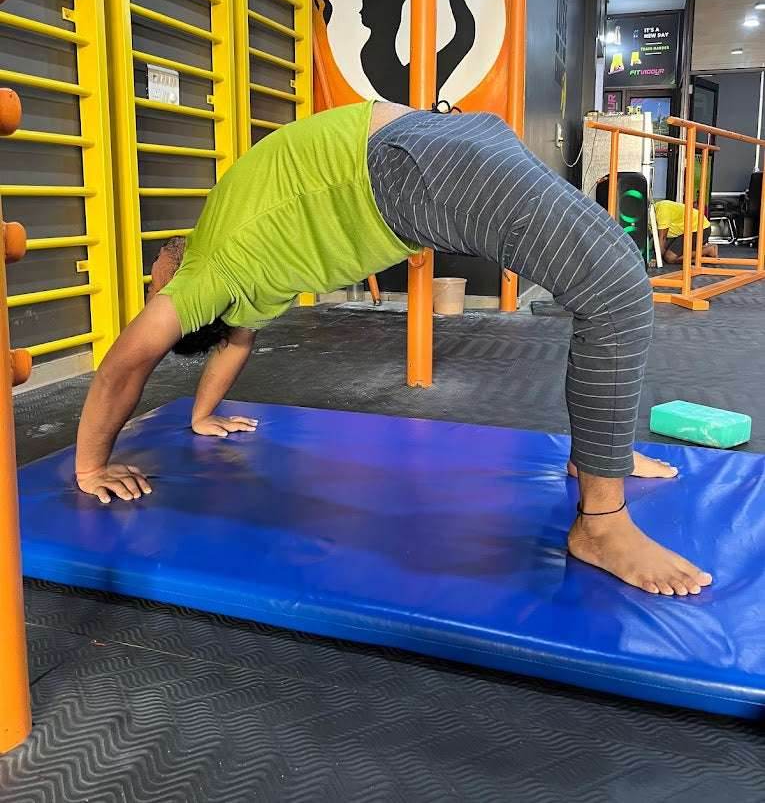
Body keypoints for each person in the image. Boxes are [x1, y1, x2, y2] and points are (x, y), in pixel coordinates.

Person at [74, 101, 713, 598]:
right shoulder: (204, 275)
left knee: (612, 271)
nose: (158, 268)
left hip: (431, 146)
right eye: (154, 282)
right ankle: (601, 522)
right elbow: (125, 363)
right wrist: (91, 467)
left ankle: (596, 457)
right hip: (408, 164)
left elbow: (236, 341)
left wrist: (201, 414)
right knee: (617, 287)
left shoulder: (242, 286)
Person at [360, 0, 476, 103]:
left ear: (378, 10)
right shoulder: (385, 25)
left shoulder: (386, 23)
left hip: (410, 82)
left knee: (464, 36)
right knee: (464, 37)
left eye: (365, 6)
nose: (361, 11)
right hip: (407, 85)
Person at [654, 198, 718, 264]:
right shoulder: (653, 212)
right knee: (665, 251)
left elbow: (662, 238)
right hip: (685, 231)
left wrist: (656, 260)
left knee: (670, 257)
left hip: (699, 228)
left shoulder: (662, 210)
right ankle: (703, 250)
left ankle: (708, 250)